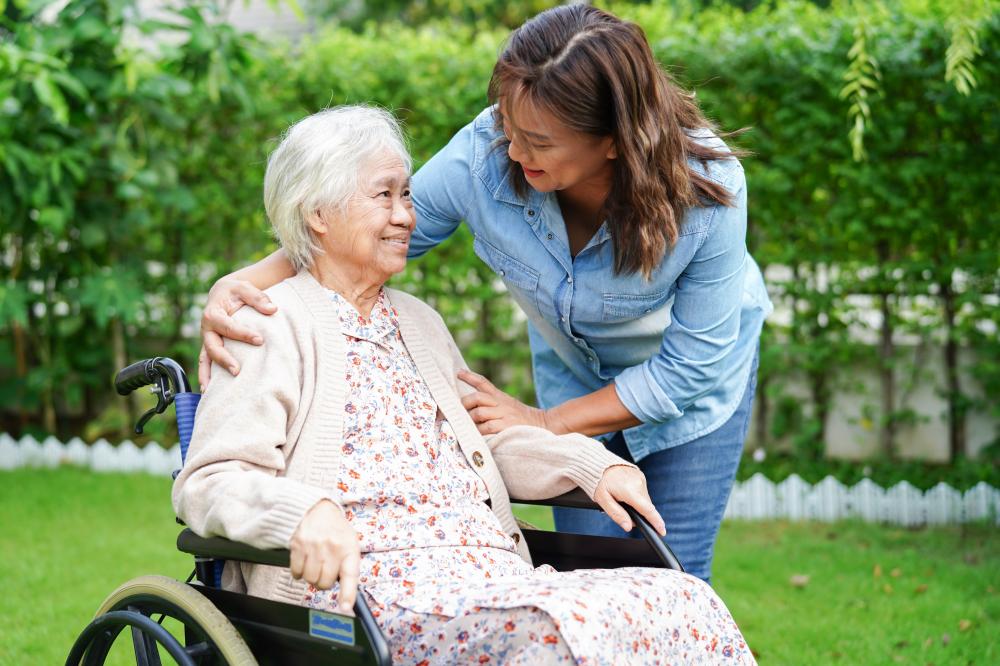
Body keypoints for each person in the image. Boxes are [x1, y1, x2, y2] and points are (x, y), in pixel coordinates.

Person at [198, 5, 772, 585]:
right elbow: (364, 238)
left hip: (693, 391)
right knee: (595, 570)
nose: (514, 154)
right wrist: (240, 283)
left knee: (677, 579)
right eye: (508, 126)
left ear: (613, 142)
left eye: (539, 143)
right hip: (576, 372)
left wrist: (547, 425)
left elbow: (691, 365)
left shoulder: (708, 190)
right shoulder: (486, 152)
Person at [174, 105, 755, 664]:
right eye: (385, 195)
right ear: (317, 214)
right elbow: (211, 482)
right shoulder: (264, 327)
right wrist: (304, 513)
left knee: (685, 597)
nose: (407, 215)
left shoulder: (419, 322)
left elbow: (483, 443)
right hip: (363, 588)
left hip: (487, 571)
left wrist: (587, 464)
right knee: (558, 627)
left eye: (407, 194)